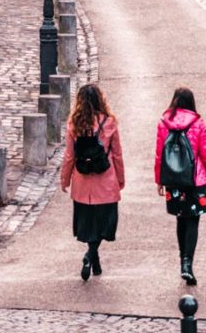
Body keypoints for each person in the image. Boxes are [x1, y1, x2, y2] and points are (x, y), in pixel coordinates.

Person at [61, 83, 125, 281]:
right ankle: (90, 256)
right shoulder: (109, 122)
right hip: (105, 182)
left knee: (88, 226)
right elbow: (117, 155)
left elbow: (69, 156)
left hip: (82, 184)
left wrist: (65, 179)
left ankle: (93, 260)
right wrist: (121, 179)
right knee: (104, 225)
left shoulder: (74, 123)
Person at [154, 87, 206, 287]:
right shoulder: (197, 123)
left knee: (181, 219)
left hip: (173, 178)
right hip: (195, 179)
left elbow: (159, 154)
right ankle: (188, 262)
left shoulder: (164, 123)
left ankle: (183, 261)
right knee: (193, 220)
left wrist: (159, 179)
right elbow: (205, 152)